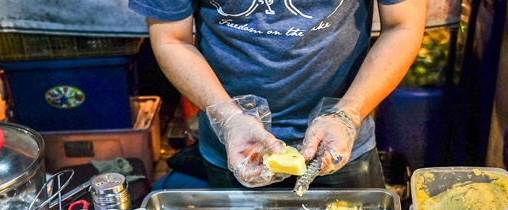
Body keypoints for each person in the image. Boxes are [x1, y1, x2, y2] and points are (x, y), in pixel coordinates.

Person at [129, 0, 427, 189]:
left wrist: (348, 112)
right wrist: (229, 119)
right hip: (233, 150)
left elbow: (403, 24)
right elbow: (172, 39)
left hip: (343, 149)